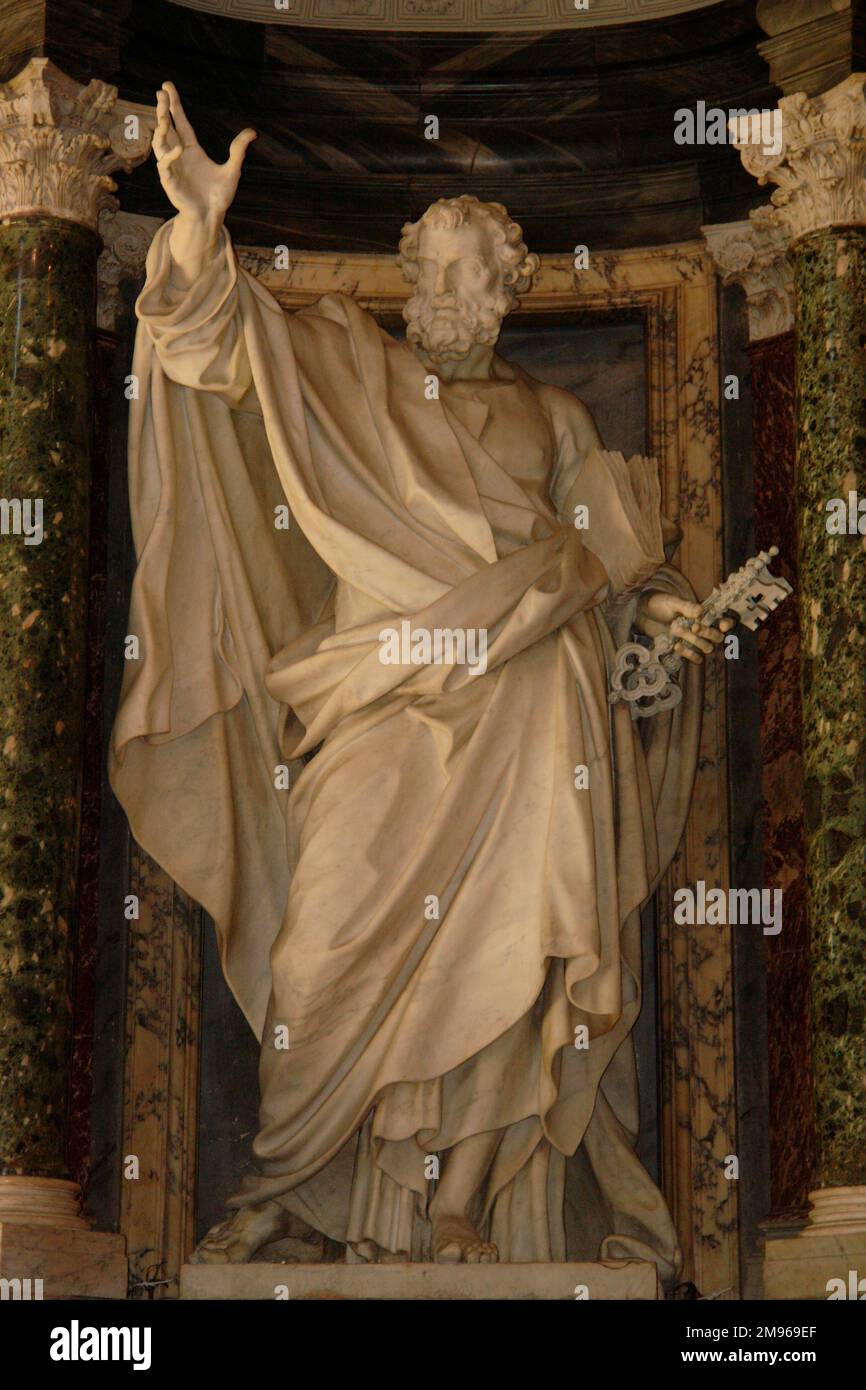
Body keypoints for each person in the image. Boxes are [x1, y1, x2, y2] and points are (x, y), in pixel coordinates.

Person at [111, 83, 731, 1276]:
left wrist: (666, 617)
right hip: (375, 712)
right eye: (429, 275)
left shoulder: (553, 420)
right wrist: (194, 227)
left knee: (519, 932)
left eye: (467, 276)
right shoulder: (351, 377)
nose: (443, 298)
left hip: (523, 718)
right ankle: (289, 1175)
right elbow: (215, 343)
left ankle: (464, 1203)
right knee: (324, 940)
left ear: (509, 290)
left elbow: (613, 562)